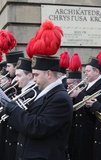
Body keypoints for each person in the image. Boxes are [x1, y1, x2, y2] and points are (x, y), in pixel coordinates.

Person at [0, 20, 73, 160]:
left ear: (49, 74)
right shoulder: (44, 93)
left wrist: (14, 109)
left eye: (36, 75)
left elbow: (38, 127)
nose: (34, 79)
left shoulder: (60, 98)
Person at [70, 48, 101, 160]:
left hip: (90, 129)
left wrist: (79, 94)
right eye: (85, 71)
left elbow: (95, 103)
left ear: (96, 71)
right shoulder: (87, 85)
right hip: (80, 129)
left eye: (88, 71)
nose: (85, 74)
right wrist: (73, 95)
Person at [3, 57, 40, 160]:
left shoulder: (33, 93)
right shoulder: (22, 92)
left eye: (19, 76)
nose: (16, 79)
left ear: (29, 76)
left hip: (18, 144)